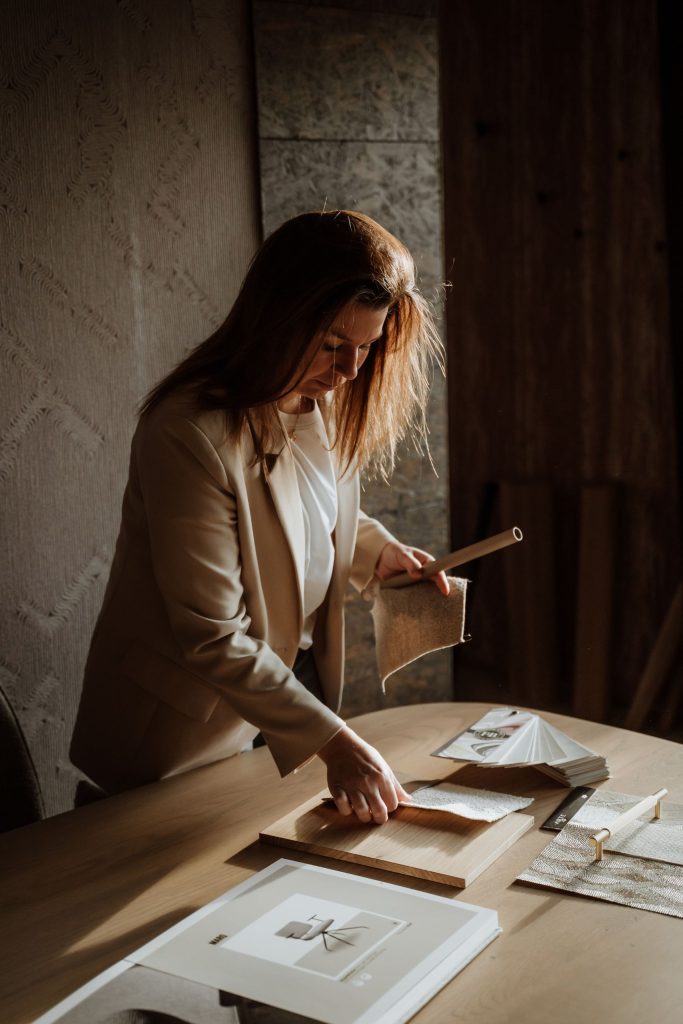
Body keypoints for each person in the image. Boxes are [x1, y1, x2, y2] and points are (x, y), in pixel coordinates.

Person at [70, 210, 448, 824]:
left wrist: (376, 552)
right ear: (278, 319)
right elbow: (213, 633)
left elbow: (302, 511)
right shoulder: (188, 433)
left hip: (271, 707)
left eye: (366, 348)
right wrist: (336, 741)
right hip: (176, 734)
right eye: (332, 345)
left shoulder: (315, 390)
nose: (350, 370)